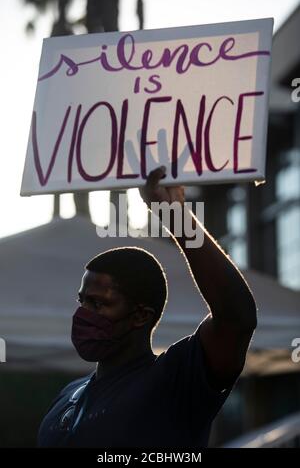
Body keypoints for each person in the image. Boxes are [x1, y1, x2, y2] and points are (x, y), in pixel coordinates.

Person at [37, 167, 257, 448]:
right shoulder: (69, 394)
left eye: (98, 303)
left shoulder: (174, 381)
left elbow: (236, 318)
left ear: (141, 315)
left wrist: (177, 219)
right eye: (82, 301)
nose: (83, 314)